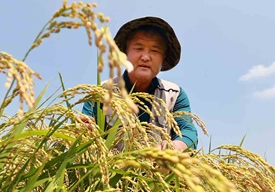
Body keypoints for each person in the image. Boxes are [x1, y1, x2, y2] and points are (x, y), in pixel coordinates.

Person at [82, 16, 197, 152]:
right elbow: (84, 127)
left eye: (154, 51)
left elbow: (188, 130)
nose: (145, 57)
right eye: (138, 48)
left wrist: (175, 147)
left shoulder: (174, 95)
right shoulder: (102, 92)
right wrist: (84, 129)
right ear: (126, 53)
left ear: (163, 58)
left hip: (157, 170)